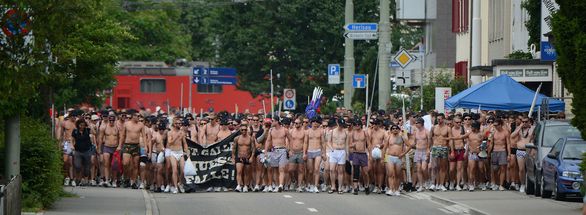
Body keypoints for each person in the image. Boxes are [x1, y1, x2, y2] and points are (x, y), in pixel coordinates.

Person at [117, 111, 148, 189]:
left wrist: (145, 146)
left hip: (136, 145)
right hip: (127, 145)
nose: (138, 118)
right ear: (133, 116)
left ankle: (133, 181)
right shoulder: (126, 124)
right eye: (137, 116)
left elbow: (144, 136)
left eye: (139, 116)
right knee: (125, 163)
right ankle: (126, 177)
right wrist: (120, 145)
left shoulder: (141, 125)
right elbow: (123, 135)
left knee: (135, 165)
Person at [383, 124, 409, 196]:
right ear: (391, 130)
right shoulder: (389, 137)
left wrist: (403, 154)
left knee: (398, 175)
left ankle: (397, 189)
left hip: (398, 157)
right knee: (391, 174)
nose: (395, 130)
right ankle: (391, 189)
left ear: (398, 129)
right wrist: (383, 158)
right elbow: (384, 148)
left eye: (396, 128)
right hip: (390, 157)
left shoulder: (402, 137)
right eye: (393, 128)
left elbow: (409, 146)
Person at [264, 118, 289, 192]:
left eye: (273, 121)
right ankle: (277, 185)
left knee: (281, 168)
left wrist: (290, 149)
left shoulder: (284, 130)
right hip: (274, 150)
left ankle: (281, 185)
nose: (271, 122)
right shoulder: (271, 130)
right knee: (274, 169)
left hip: (282, 150)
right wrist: (265, 151)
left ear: (277, 121)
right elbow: (268, 141)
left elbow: (290, 139)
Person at [165, 118, 189, 194]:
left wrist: (186, 150)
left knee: (183, 170)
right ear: (174, 124)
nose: (179, 125)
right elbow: (170, 142)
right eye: (177, 123)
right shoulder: (170, 132)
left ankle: (180, 183)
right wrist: (176, 136)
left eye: (180, 123)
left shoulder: (182, 133)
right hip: (173, 152)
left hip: (180, 152)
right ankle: (175, 187)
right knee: (174, 169)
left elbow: (184, 143)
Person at [511, 116, 534, 193]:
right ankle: (522, 184)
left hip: (529, 151)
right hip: (520, 150)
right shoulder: (519, 129)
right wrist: (519, 127)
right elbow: (512, 136)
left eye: (526, 122)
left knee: (529, 169)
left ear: (529, 122)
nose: (524, 123)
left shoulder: (532, 129)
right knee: (521, 169)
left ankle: (530, 184)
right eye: (523, 122)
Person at [488, 118, 511, 191]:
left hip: (503, 150)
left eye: (496, 125)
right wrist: (488, 152)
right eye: (494, 125)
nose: (495, 126)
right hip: (495, 151)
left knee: (502, 168)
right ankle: (496, 183)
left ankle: (501, 184)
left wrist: (509, 154)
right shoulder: (493, 132)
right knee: (494, 169)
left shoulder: (505, 132)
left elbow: (508, 143)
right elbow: (491, 143)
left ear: (500, 125)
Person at [348, 119, 370, 195]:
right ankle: (355, 188)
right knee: (356, 171)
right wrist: (352, 145)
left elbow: (369, 144)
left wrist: (369, 154)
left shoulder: (365, 132)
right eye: (355, 124)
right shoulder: (352, 134)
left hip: (363, 154)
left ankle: (366, 185)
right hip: (355, 154)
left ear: (361, 125)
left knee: (365, 172)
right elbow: (349, 145)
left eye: (358, 124)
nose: (357, 126)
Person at [328, 118, 349, 194]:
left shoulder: (346, 132)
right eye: (340, 125)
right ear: (337, 123)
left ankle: (340, 187)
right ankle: (333, 186)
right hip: (334, 151)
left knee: (340, 170)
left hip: (342, 151)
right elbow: (329, 142)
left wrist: (347, 154)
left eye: (342, 125)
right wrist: (331, 149)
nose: (341, 127)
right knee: (332, 169)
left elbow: (346, 144)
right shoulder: (332, 131)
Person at [430, 113, 450, 191]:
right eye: (437, 119)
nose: (438, 120)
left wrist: (451, 150)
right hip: (435, 147)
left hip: (444, 147)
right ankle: (433, 184)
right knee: (434, 166)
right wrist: (430, 148)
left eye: (440, 119)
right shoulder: (434, 127)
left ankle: (441, 184)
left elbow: (450, 139)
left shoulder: (447, 128)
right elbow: (430, 137)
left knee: (443, 167)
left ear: (443, 119)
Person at [98, 115, 120, 187]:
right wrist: (99, 148)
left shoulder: (117, 127)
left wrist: (119, 146)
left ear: (115, 120)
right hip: (106, 147)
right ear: (108, 120)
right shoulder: (104, 127)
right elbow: (100, 138)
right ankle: (107, 180)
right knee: (106, 163)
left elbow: (121, 137)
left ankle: (114, 180)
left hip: (115, 147)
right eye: (110, 120)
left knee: (114, 165)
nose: (111, 122)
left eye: (113, 120)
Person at [287, 118, 308, 192]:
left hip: (301, 152)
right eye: (295, 123)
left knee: (300, 170)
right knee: (290, 169)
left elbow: (305, 143)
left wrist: (305, 153)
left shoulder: (304, 132)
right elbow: (288, 141)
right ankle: (293, 180)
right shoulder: (291, 131)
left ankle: (299, 185)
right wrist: (289, 150)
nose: (296, 124)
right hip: (293, 152)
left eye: (297, 123)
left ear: (301, 124)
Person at [72, 119, 95, 186]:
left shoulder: (87, 130)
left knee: (87, 168)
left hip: (87, 150)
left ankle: (85, 178)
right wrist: (72, 145)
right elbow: (72, 139)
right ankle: (77, 179)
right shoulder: (75, 131)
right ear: (78, 125)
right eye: (80, 125)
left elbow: (94, 133)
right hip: (78, 150)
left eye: (83, 125)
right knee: (77, 166)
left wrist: (89, 125)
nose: (82, 126)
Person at [233, 125, 255, 193]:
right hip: (239, 157)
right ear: (240, 131)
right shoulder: (237, 138)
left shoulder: (251, 138)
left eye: (245, 130)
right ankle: (239, 185)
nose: (244, 131)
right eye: (242, 130)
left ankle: (245, 186)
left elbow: (253, 149)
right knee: (239, 172)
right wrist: (233, 157)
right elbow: (234, 149)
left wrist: (251, 157)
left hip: (247, 157)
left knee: (246, 173)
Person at [306, 117, 325, 193]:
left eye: (316, 122)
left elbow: (323, 143)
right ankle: (310, 184)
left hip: (318, 151)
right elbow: (305, 143)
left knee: (316, 169)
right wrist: (304, 153)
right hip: (310, 151)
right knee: (310, 170)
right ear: (311, 122)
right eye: (313, 121)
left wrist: (324, 153)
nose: (315, 123)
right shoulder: (307, 131)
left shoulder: (321, 131)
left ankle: (316, 186)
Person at [412, 118, 431, 192]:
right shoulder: (415, 132)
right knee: (418, 169)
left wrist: (428, 150)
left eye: (417, 123)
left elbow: (430, 141)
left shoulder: (427, 131)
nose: (416, 124)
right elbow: (414, 142)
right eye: (415, 123)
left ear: (421, 123)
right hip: (418, 151)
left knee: (423, 168)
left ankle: (427, 180)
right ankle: (421, 185)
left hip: (424, 151)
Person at [368, 118, 386, 194]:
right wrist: (370, 151)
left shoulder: (383, 132)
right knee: (372, 169)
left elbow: (385, 142)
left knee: (380, 170)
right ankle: (374, 184)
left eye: (375, 124)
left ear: (379, 124)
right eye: (373, 124)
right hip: (372, 151)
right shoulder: (370, 132)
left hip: (380, 151)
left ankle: (379, 186)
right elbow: (368, 142)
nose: (374, 125)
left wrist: (381, 145)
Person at [449, 116, 466, 191]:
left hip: (461, 150)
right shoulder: (451, 130)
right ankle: (452, 182)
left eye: (460, 122)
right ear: (453, 122)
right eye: (457, 122)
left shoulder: (462, 129)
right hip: (454, 150)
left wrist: (466, 150)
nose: (459, 123)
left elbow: (466, 140)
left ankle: (458, 184)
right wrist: (452, 151)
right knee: (452, 169)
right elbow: (450, 141)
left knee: (459, 168)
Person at [59, 114, 76, 186]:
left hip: (75, 144)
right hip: (66, 143)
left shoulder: (77, 123)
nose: (74, 117)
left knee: (73, 162)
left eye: (75, 116)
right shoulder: (64, 123)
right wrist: (60, 144)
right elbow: (61, 135)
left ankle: (72, 179)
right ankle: (67, 177)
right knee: (65, 161)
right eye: (73, 116)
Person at [151, 122, 166, 192]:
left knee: (165, 171)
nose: (161, 131)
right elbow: (151, 142)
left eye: (162, 129)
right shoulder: (156, 135)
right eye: (160, 129)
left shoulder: (167, 134)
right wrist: (150, 152)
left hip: (167, 154)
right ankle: (158, 186)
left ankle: (165, 185)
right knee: (158, 170)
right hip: (158, 154)